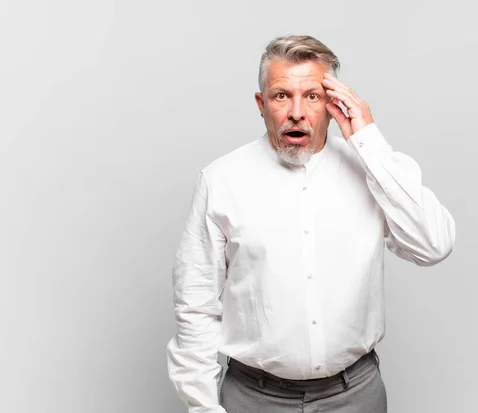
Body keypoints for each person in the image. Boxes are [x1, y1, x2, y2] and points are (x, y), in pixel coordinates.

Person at [166, 35, 456, 413]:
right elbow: (196, 305)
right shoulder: (221, 181)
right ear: (261, 104)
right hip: (253, 398)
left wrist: (368, 141)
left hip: (356, 396)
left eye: (313, 97)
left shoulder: (371, 171)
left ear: (333, 104)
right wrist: (203, 407)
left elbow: (433, 245)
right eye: (281, 95)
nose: (297, 112)